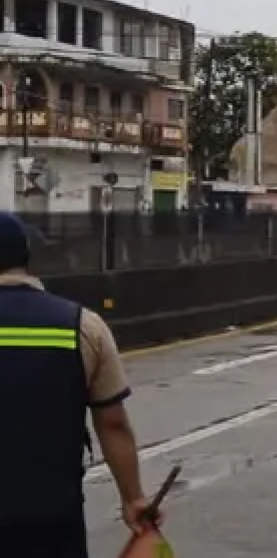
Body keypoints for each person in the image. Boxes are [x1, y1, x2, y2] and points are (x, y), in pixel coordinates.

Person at [0, 211, 153, 557]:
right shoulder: (81, 325)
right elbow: (113, 424)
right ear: (27, 258)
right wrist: (133, 499)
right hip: (51, 521)